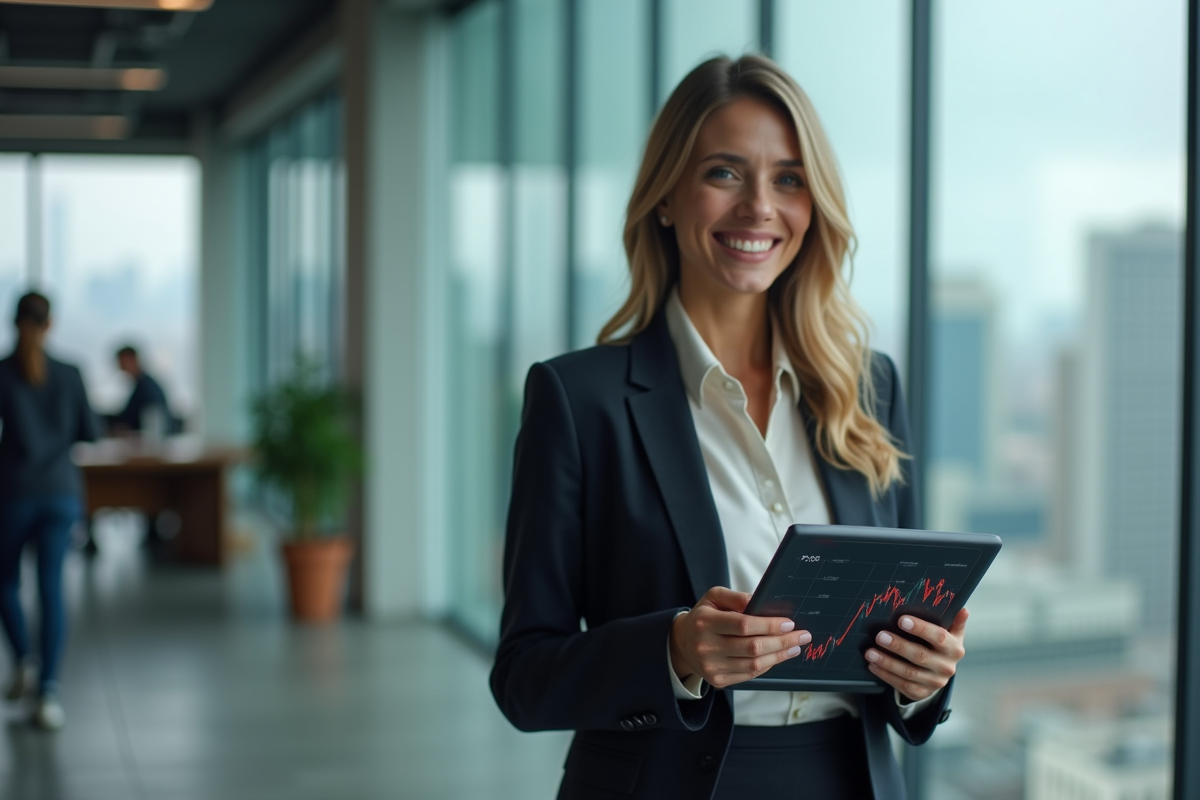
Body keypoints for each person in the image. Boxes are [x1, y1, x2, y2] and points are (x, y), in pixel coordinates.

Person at [490, 55, 968, 799]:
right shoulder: (576, 399)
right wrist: (675, 651)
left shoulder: (867, 389)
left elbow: (905, 640)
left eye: (788, 178)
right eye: (723, 173)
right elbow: (523, 679)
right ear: (667, 199)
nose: (758, 208)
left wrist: (923, 680)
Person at [0, 291, 99, 731]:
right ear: (50, 324)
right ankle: (49, 693)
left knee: (4, 581)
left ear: (14, 322)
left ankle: (24, 657)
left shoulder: (3, 372)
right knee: (51, 589)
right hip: (61, 493)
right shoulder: (70, 372)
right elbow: (89, 433)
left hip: (14, 493)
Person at [105, 344, 178, 436]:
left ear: (132, 360)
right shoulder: (142, 384)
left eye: (122, 362)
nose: (120, 367)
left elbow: (146, 419)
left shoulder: (147, 387)